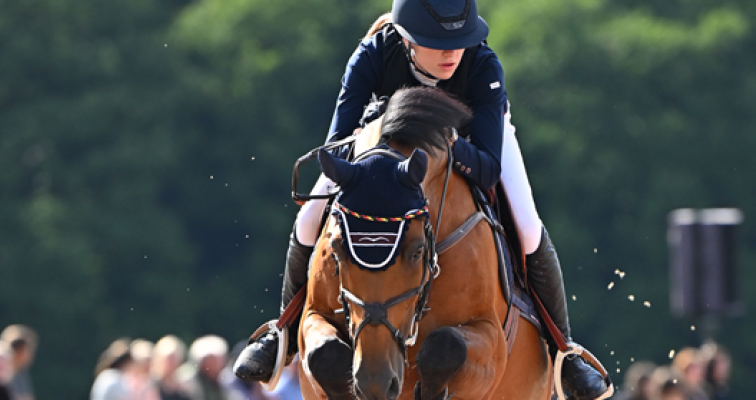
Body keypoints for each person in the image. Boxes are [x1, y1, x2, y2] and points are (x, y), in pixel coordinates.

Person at [233, 0, 608, 398]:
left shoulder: (482, 66)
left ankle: (564, 352)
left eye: (460, 40)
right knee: (309, 217)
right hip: (379, 154)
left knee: (529, 227)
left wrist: (444, 141)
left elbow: (486, 168)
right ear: (408, 38)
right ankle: (283, 333)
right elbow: (336, 148)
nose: (451, 53)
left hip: (469, 148)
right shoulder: (373, 54)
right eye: (437, 42)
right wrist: (376, 137)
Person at [176, 335, 229, 400]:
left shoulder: (226, 380)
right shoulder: (187, 381)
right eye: (210, 359)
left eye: (217, 360)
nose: (215, 364)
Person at [0, 325, 37, 400]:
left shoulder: (20, 374)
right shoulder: (0, 374)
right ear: (19, 351)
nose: (32, 354)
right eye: (28, 350)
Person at [150, 335, 192, 400]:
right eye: (167, 359)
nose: (170, 363)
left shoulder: (185, 389)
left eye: (173, 359)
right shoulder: (149, 386)